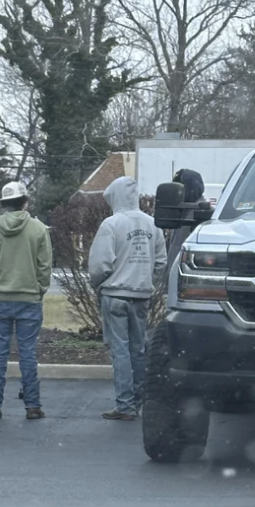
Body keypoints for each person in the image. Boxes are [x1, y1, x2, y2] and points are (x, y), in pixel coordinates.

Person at [88, 176, 167, 421]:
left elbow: (100, 265)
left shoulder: (111, 225)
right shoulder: (153, 224)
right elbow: (161, 262)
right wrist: (146, 280)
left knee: (120, 351)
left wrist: (97, 284)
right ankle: (139, 400)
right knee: (139, 349)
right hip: (140, 295)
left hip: (115, 295)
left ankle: (124, 405)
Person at [0, 181, 52, 420]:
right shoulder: (39, 229)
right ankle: (33, 406)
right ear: (25, 202)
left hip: (0, 299)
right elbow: (44, 266)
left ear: (4, 204)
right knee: (28, 352)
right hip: (29, 299)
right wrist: (39, 290)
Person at [164, 168, 205, 292]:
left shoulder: (201, 215)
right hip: (176, 283)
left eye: (179, 188)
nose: (176, 193)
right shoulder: (184, 211)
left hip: (187, 285)